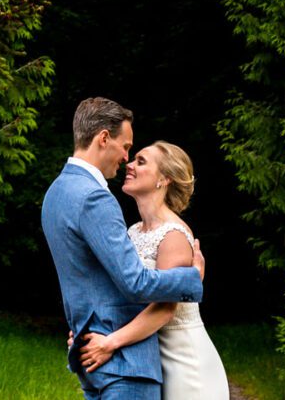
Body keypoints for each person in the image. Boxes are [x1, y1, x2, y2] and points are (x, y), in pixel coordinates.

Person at [42, 98, 206, 400]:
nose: (126, 159)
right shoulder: (94, 198)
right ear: (104, 138)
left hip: (105, 358)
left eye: (137, 157)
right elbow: (135, 283)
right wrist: (191, 278)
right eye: (127, 147)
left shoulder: (55, 193)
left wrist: (83, 331)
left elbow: (87, 278)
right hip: (125, 365)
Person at [77, 141, 230, 400]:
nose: (130, 164)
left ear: (164, 179)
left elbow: (165, 309)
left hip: (185, 364)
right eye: (133, 159)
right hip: (150, 357)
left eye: (141, 161)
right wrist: (87, 330)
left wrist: (109, 343)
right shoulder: (132, 232)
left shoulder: (174, 235)